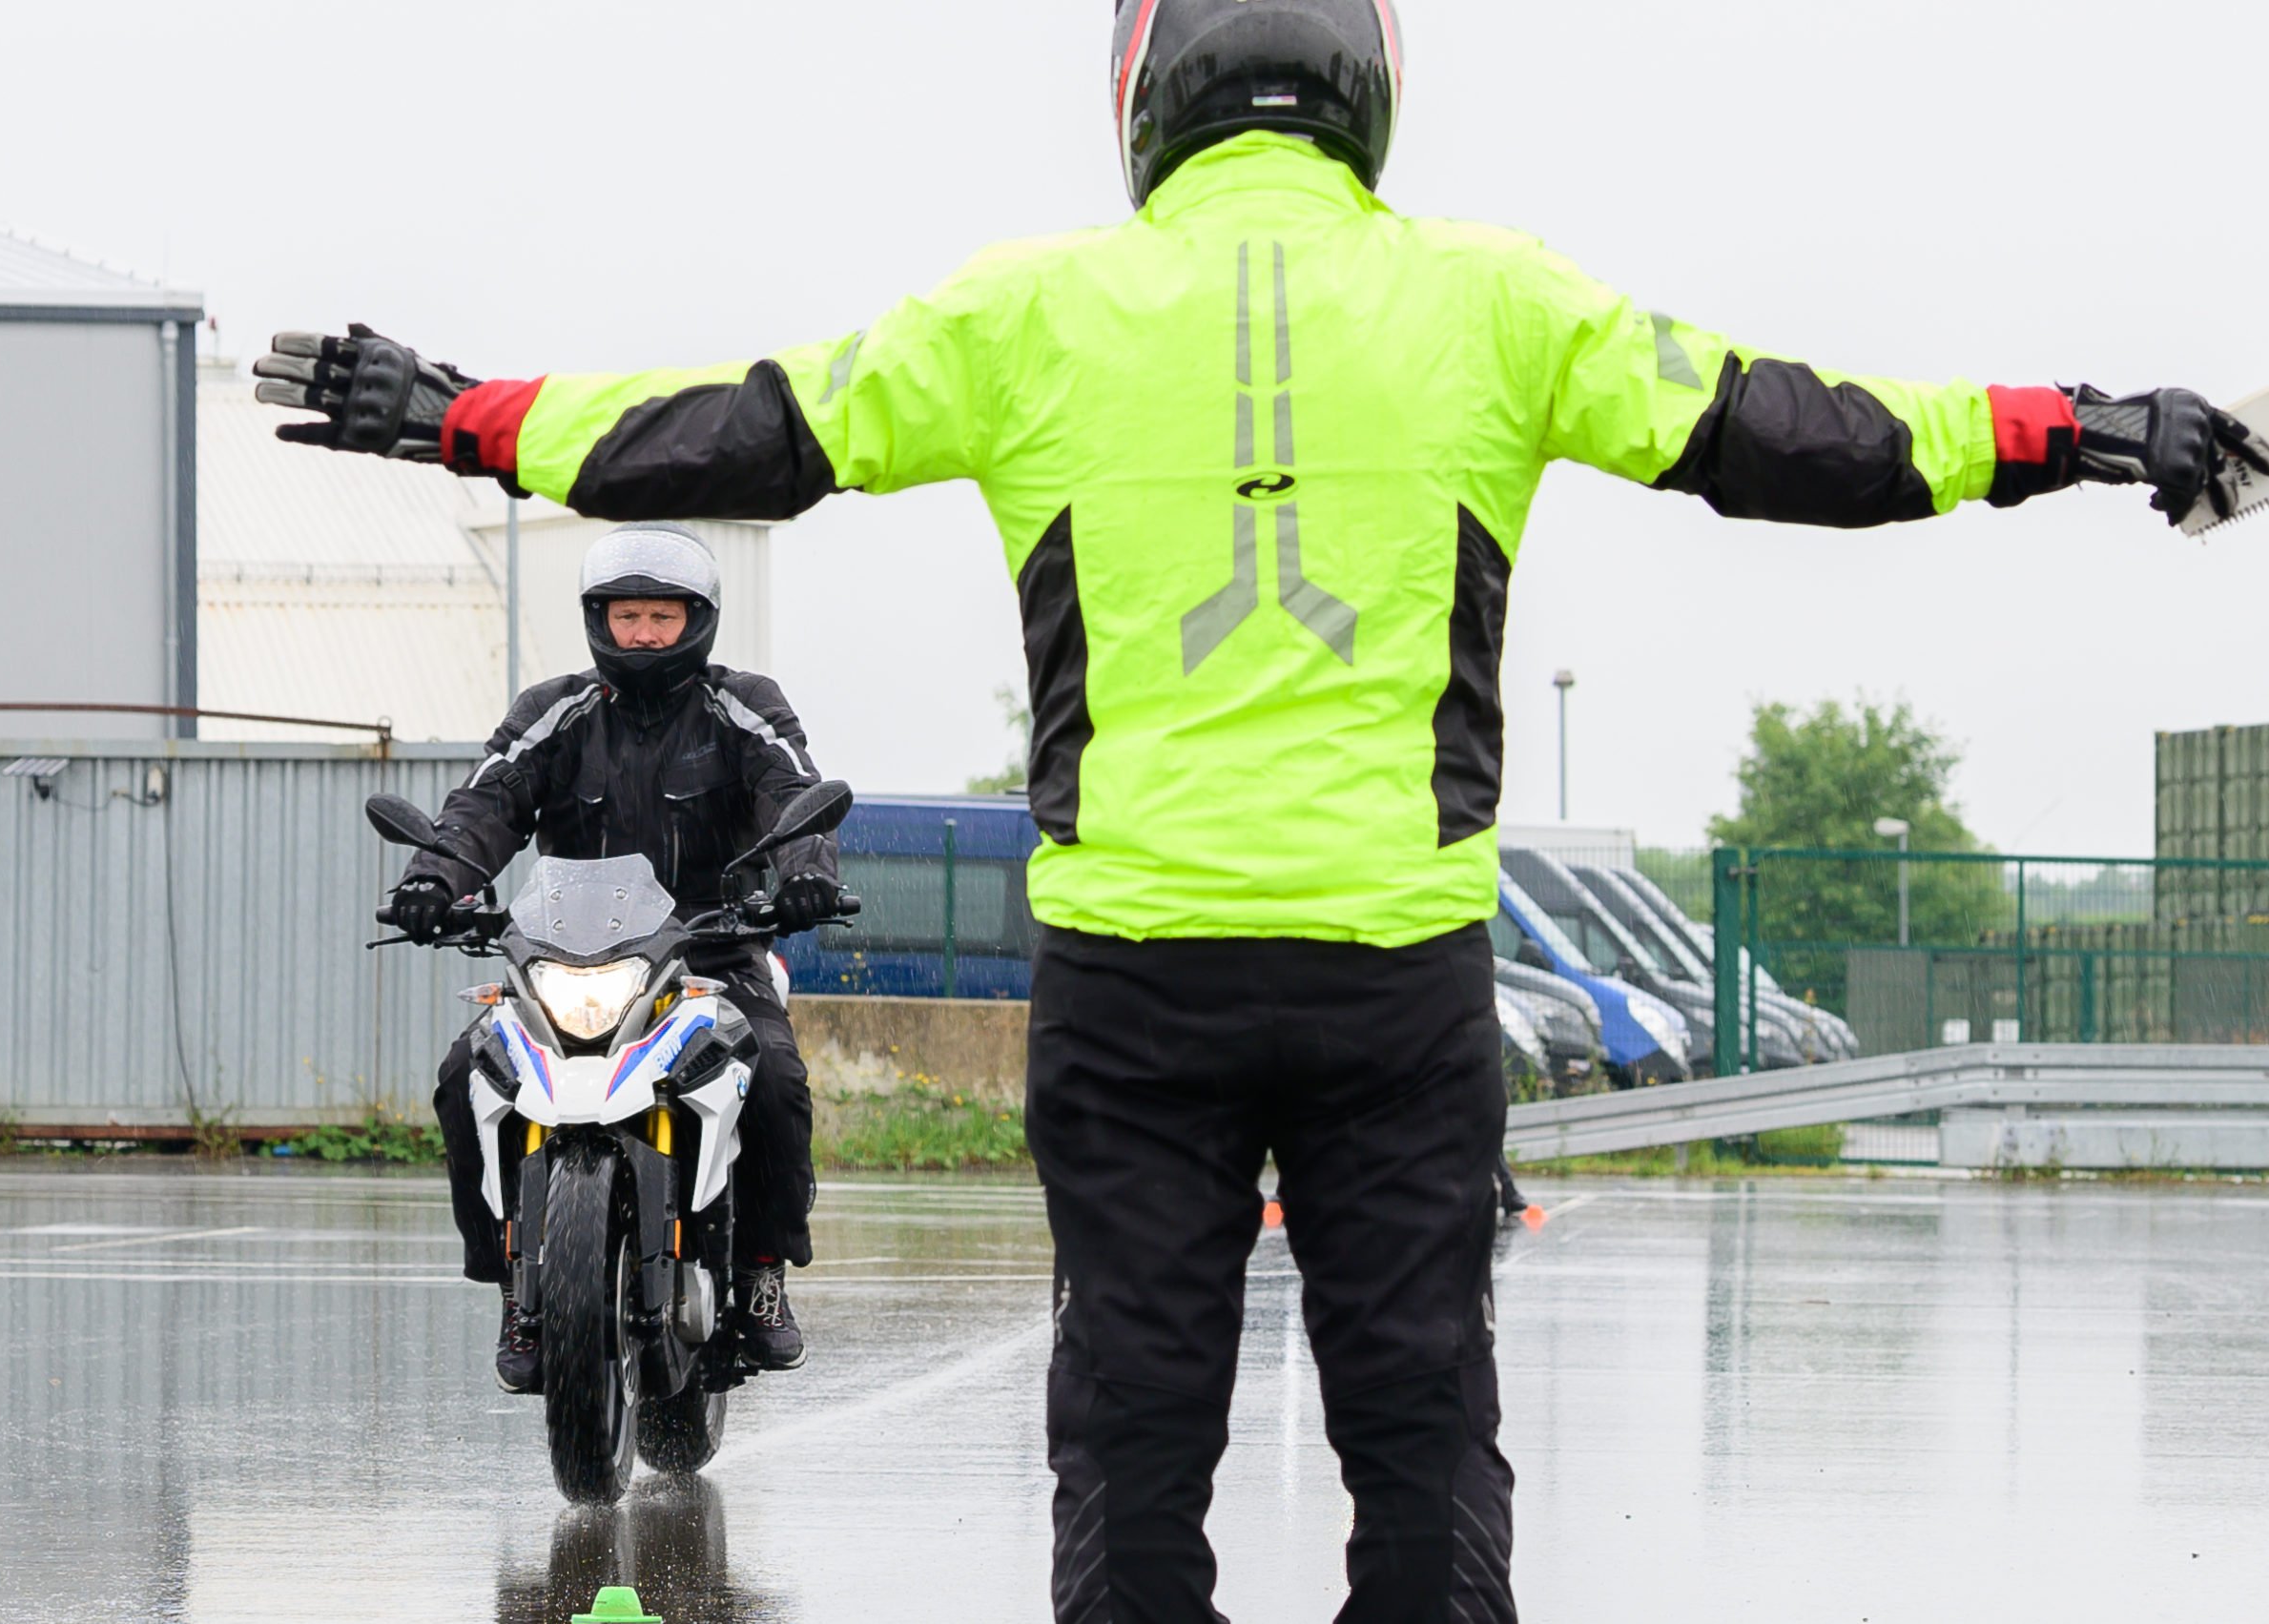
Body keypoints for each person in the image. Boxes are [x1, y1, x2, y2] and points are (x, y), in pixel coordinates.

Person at [257, 3, 2263, 1614]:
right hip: (1396, 982)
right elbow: (1798, 434)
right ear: (1372, 93)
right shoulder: (1494, 302)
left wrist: (462, 413)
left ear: (1142, 97)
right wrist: (2066, 430)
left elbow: (745, 425)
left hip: (1136, 985)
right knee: (1418, 1433)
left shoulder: (1029, 313)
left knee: (1131, 1442)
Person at [392, 523, 839, 1392]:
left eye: (660, 616)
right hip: (568, 959)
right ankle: (518, 1286)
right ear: (599, 618)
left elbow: (794, 789)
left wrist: (807, 876)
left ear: (697, 620)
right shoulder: (553, 712)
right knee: (465, 1075)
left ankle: (760, 1272)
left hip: (714, 953)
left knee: (776, 1078)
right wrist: (432, 880)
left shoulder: (741, 706)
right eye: (626, 615)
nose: (642, 633)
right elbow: (484, 803)